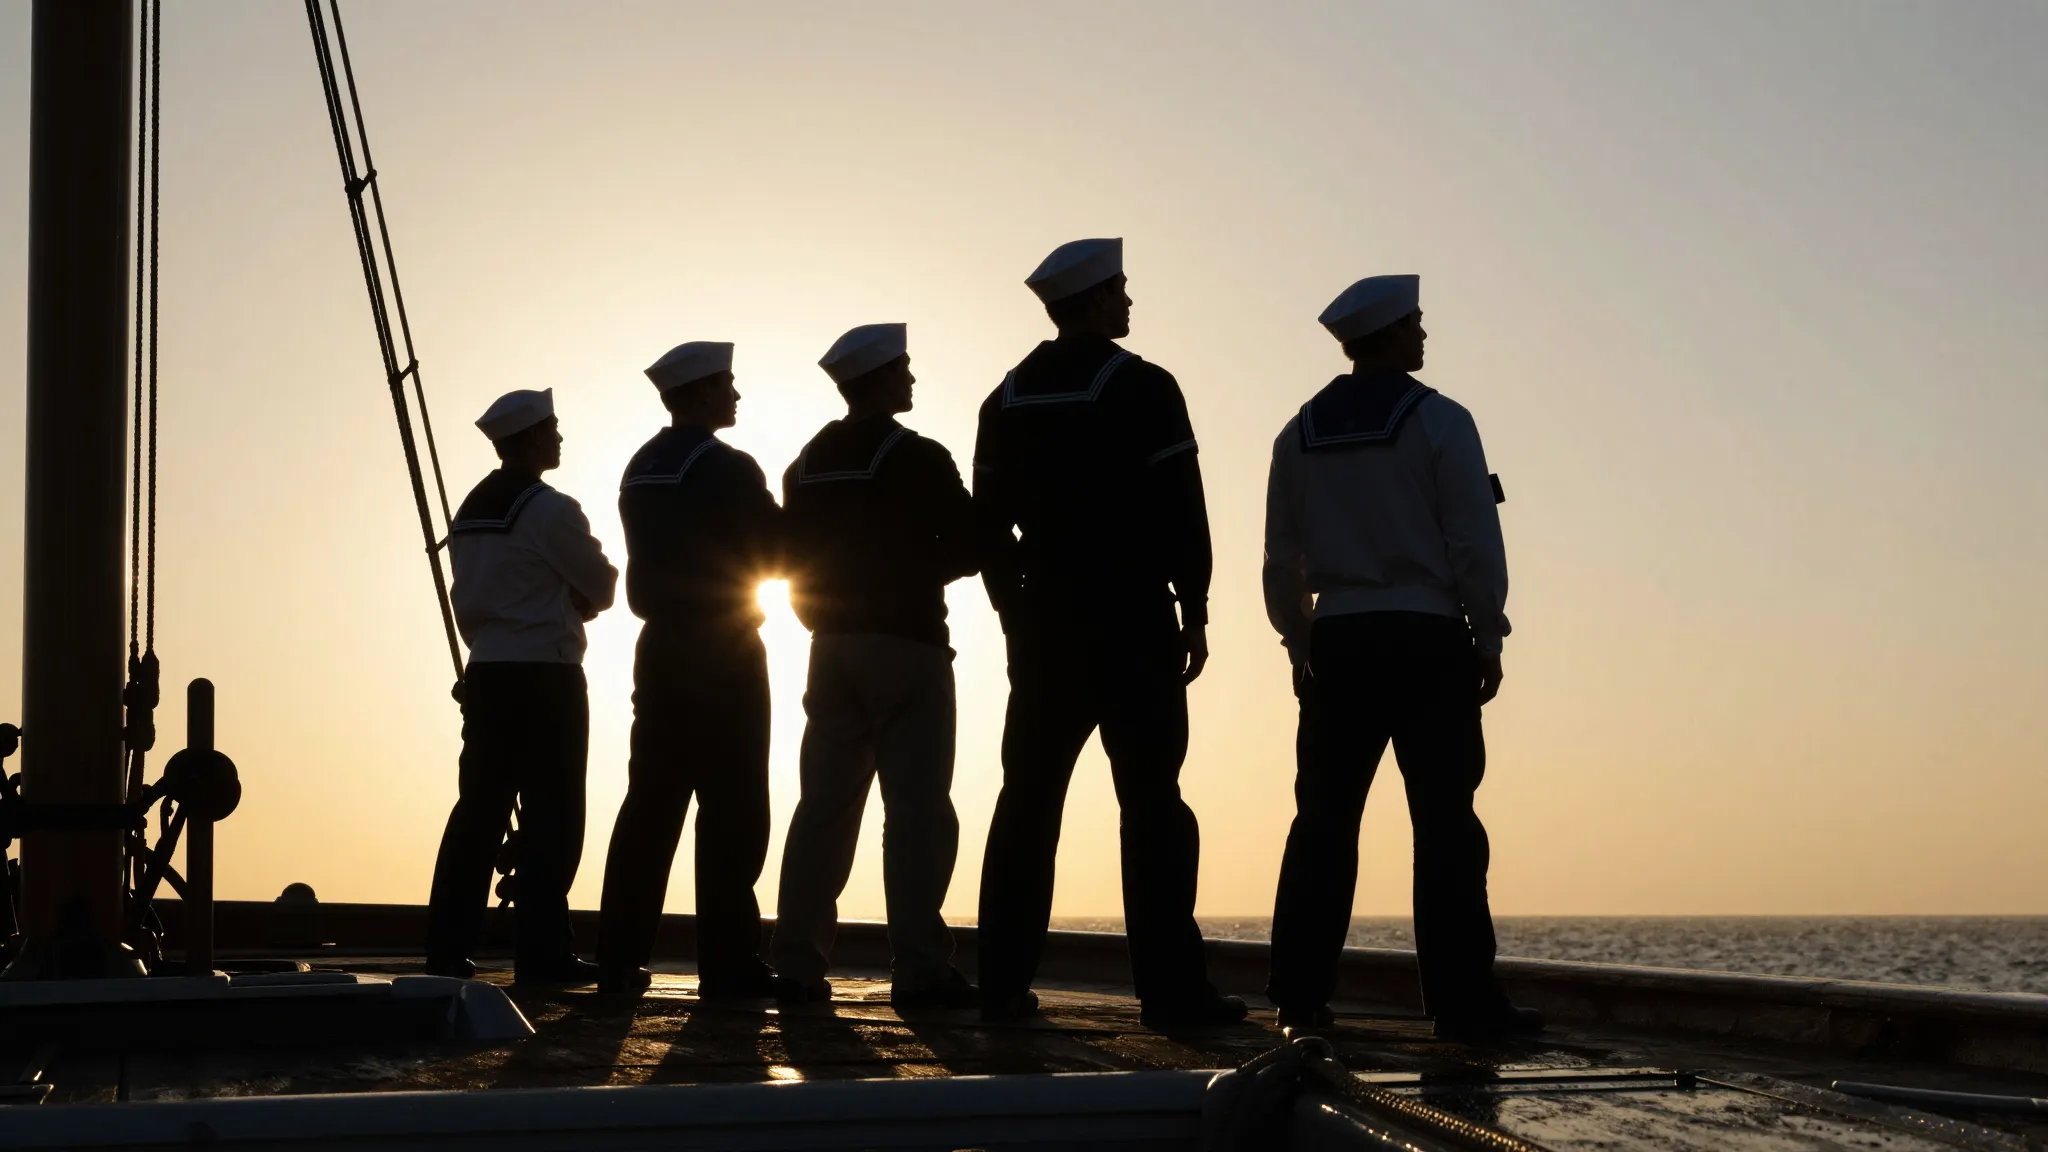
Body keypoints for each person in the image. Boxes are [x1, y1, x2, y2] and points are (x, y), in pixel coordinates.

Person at [972, 238, 1245, 1029]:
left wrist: (1014, 614)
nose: (1128, 300)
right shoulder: (1145, 386)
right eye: (1120, 288)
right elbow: (1182, 504)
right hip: (1131, 622)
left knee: (1027, 803)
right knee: (1153, 805)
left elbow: (987, 529)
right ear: (1093, 300)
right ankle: (1171, 991)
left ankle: (1000, 986)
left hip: (1045, 628)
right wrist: (1195, 605)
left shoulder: (1003, 401)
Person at [1262, 275, 1541, 1041]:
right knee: (1446, 825)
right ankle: (1461, 1000)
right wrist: (1488, 635)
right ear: (1387, 336)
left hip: (1339, 641)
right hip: (1426, 638)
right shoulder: (1442, 422)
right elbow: (1473, 542)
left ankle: (1297, 996)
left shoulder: (1298, 433)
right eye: (1414, 322)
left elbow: (1281, 558)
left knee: (1323, 823)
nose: (1423, 332)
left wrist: (1299, 641)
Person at [769, 323, 980, 1010]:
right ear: (883, 378)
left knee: (823, 811)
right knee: (917, 813)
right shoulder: (919, 457)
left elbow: (787, 561)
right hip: (908, 647)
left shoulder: (803, 465)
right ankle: (919, 967)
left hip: (828, 650)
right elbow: (971, 545)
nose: (911, 378)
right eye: (904, 368)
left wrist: (821, 616)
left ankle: (797, 964)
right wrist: (916, 572)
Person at [595, 341, 783, 997]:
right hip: (724, 648)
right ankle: (727, 962)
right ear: (703, 392)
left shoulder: (639, 468)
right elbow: (776, 551)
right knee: (734, 808)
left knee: (650, 804)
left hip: (660, 650)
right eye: (728, 384)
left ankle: (619, 956)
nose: (736, 394)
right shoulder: (729, 467)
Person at [427, 387, 617, 985]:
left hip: (487, 672)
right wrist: (572, 600)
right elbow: (602, 585)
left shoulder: (469, 512)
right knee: (553, 816)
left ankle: (447, 948)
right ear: (532, 437)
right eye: (552, 429)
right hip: (547, 676)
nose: (559, 437)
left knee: (477, 813)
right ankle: (543, 952)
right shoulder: (552, 510)